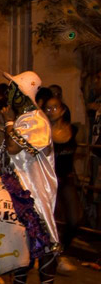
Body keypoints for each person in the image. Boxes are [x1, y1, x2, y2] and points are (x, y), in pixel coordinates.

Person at [0, 71, 61, 284]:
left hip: (36, 190)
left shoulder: (37, 120)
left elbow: (12, 147)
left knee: (45, 239)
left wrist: (8, 122)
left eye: (13, 89)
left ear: (23, 94)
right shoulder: (23, 118)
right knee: (23, 239)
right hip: (19, 187)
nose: (8, 93)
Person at [43, 94, 82, 274]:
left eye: (54, 108)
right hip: (50, 180)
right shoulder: (44, 132)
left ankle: (62, 251)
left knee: (75, 219)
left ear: (63, 109)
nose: (51, 112)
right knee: (53, 221)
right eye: (48, 108)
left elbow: (77, 152)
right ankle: (55, 256)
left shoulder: (72, 130)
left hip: (66, 179)